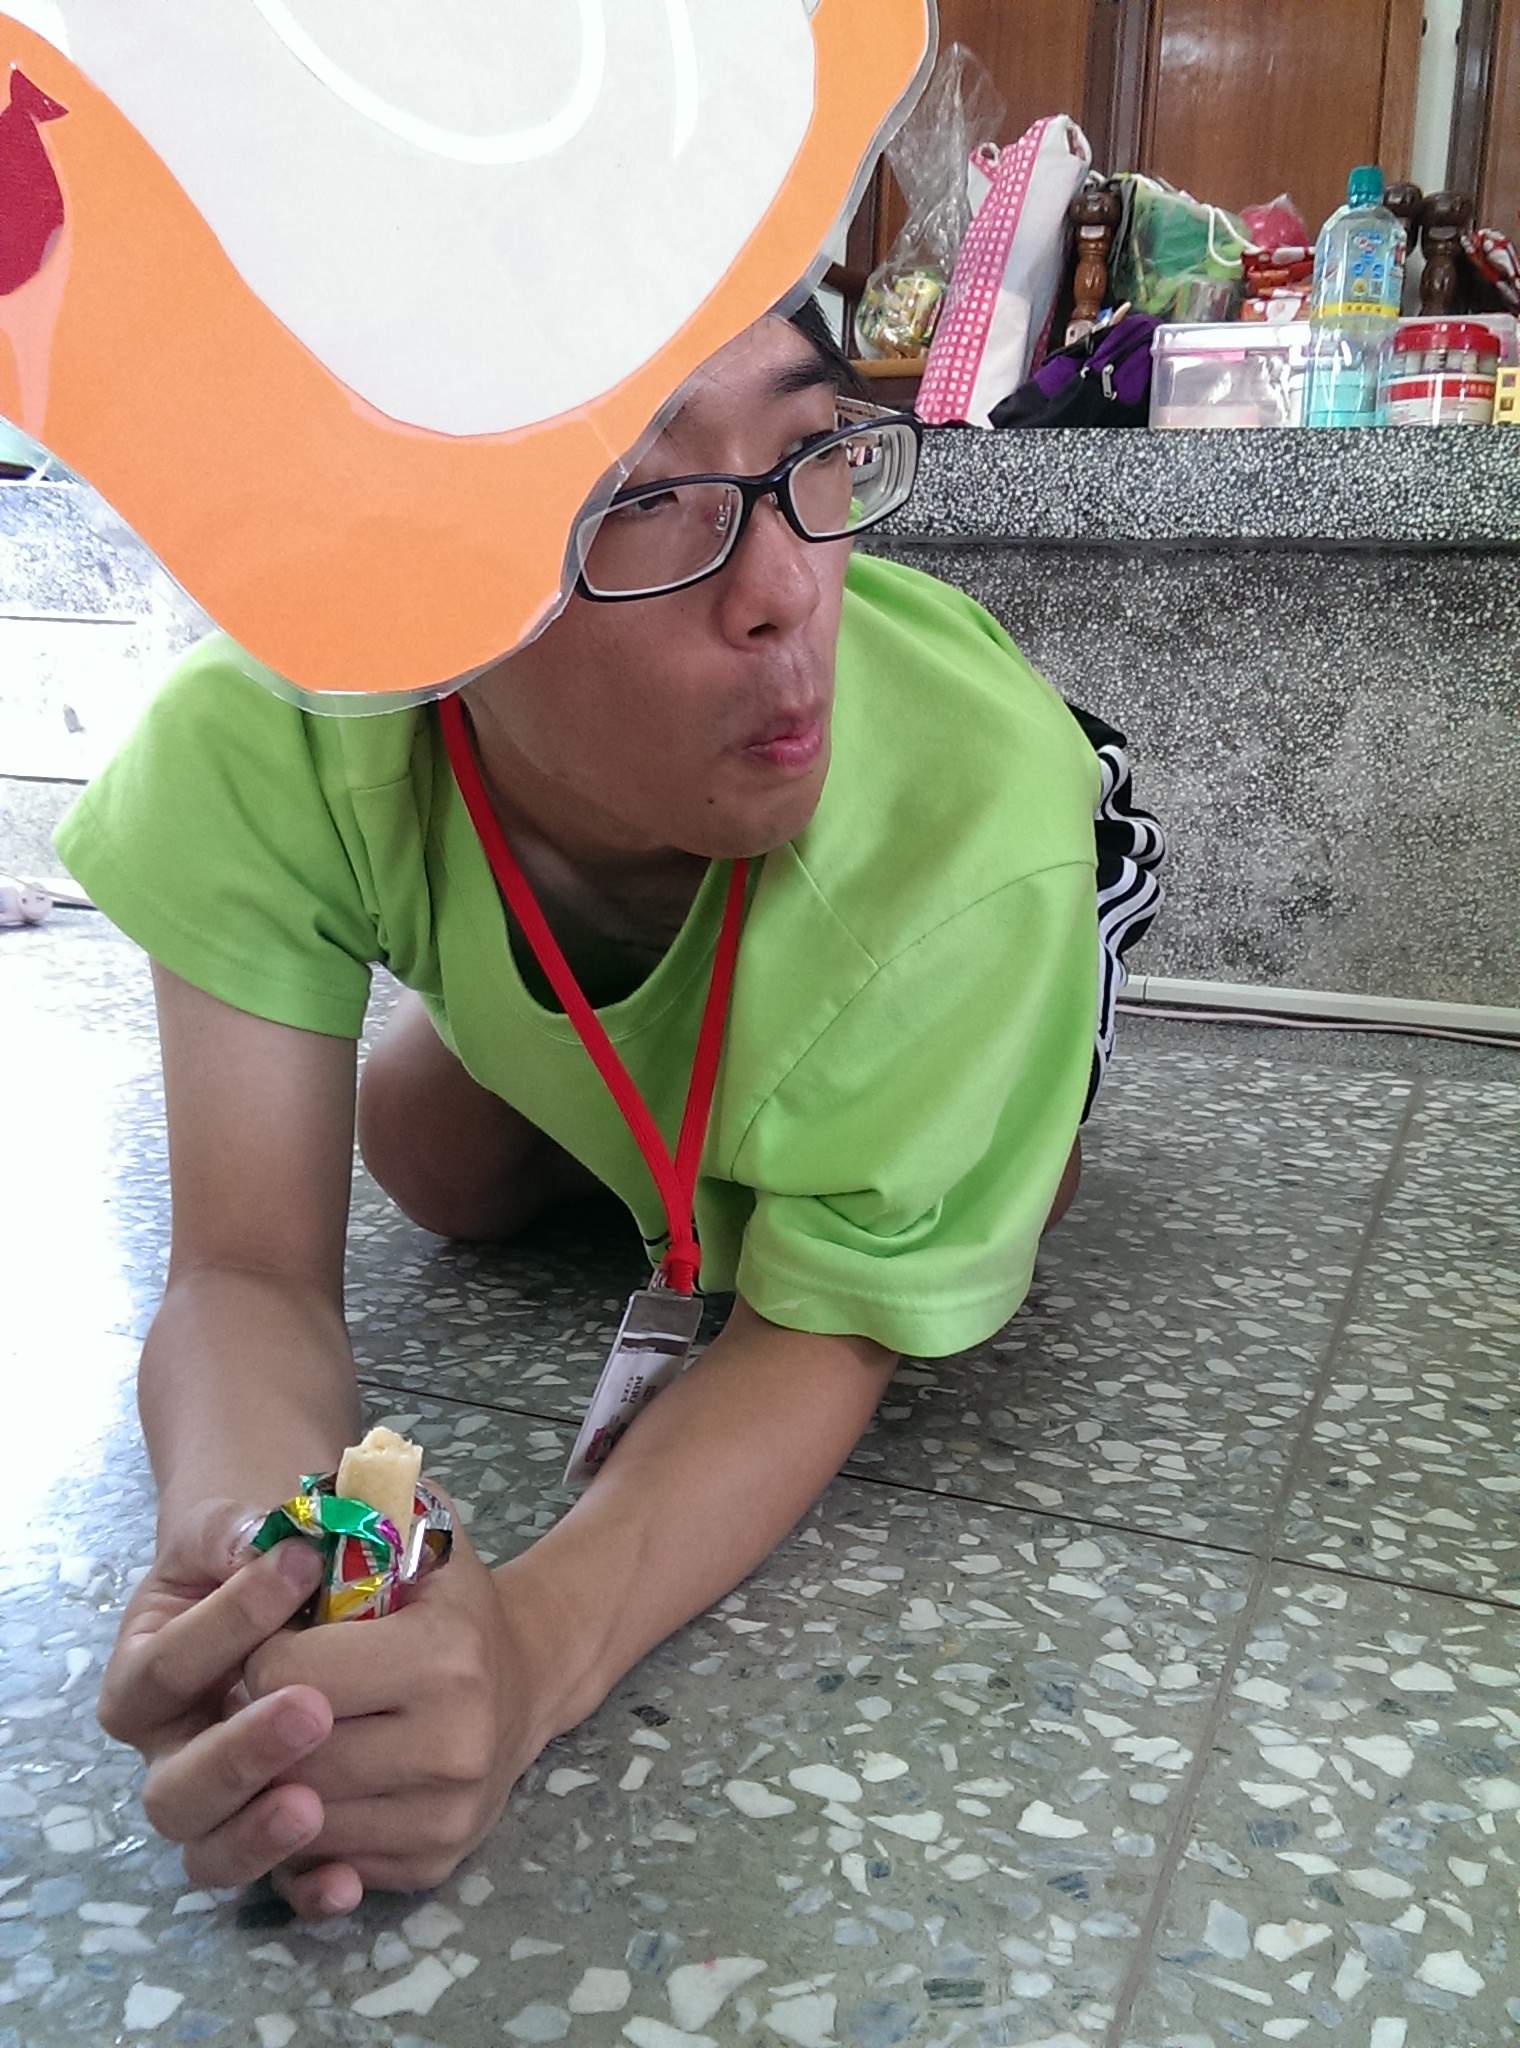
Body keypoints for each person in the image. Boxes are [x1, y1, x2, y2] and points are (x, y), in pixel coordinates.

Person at [59, 299, 1161, 1919]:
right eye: (641, 500)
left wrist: (532, 1647)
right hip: (581, 852)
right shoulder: (271, 726)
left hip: (1001, 845)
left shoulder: (973, 829)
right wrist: (259, 1563)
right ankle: (695, 1116)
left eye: (812, 450)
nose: (785, 592)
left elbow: (823, 1339)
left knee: (992, 1207)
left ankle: (804, 1121)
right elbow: (243, 1269)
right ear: (415, 572)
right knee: (424, 1154)